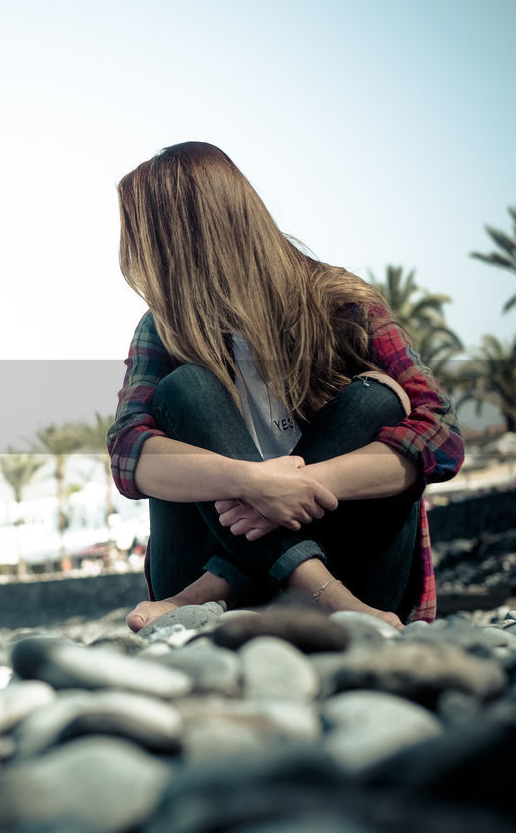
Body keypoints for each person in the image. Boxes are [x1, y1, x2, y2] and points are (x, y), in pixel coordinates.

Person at [106, 142, 464, 632]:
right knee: (183, 388)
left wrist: (301, 488)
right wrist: (251, 483)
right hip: (316, 599)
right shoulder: (164, 328)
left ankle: (221, 584)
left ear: (183, 234)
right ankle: (312, 589)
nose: (133, 252)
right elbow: (127, 454)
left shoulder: (339, 302)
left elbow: (441, 436)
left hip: (356, 577)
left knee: (377, 399)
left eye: (140, 235)